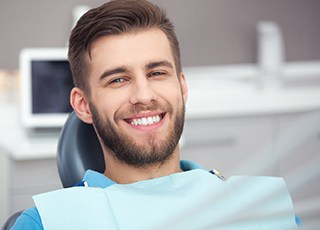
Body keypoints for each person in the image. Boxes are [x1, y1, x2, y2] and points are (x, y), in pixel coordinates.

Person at [12, 0, 299, 229]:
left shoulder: (263, 208)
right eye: (118, 80)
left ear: (182, 86)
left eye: (157, 73)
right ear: (83, 105)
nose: (144, 95)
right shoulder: (47, 223)